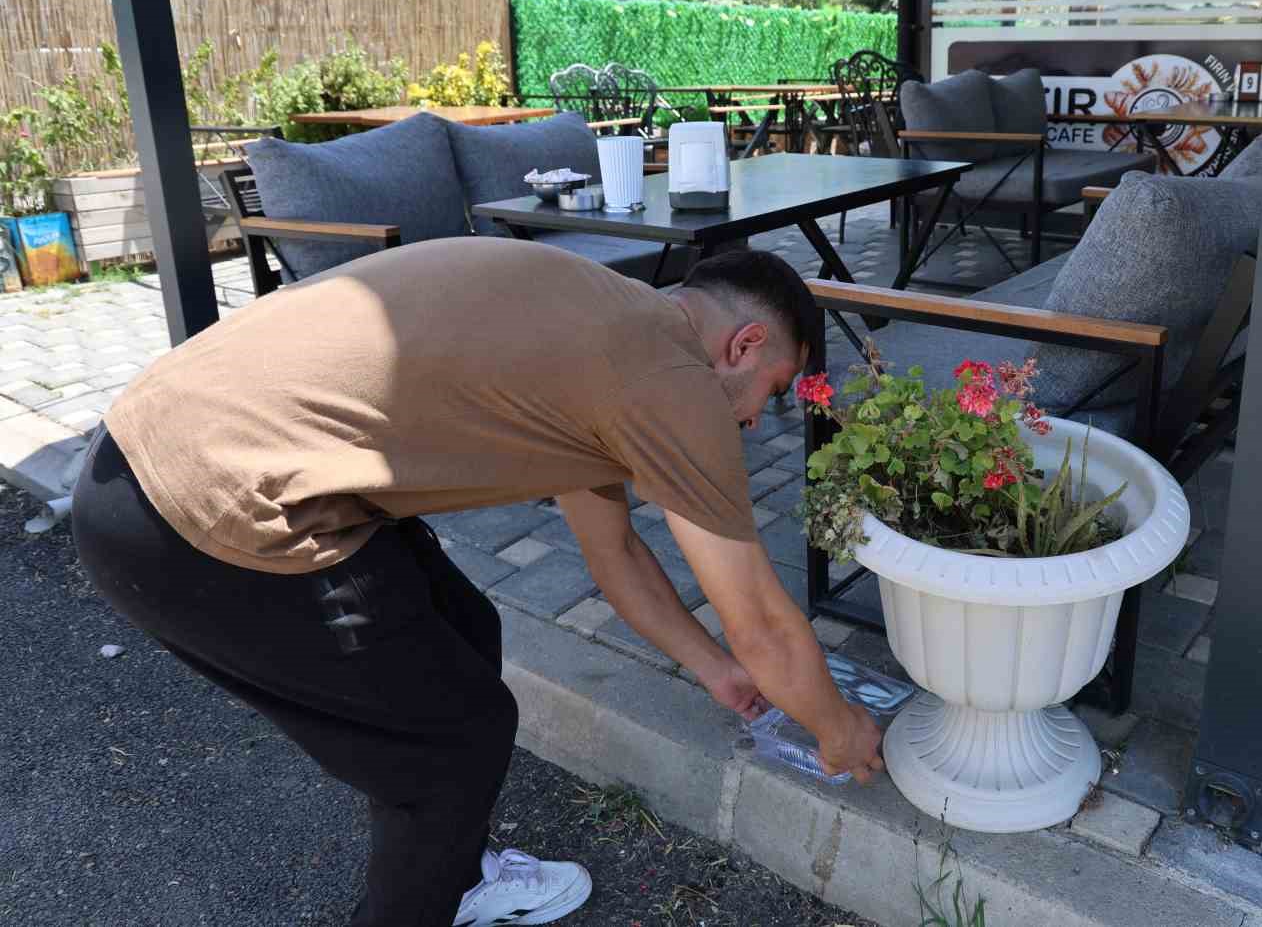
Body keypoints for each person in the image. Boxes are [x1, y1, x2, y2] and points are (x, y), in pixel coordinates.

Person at [70, 238, 885, 927]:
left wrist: (716, 671)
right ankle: (429, 875)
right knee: (452, 748)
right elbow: (768, 627)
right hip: (193, 507)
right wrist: (840, 729)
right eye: (769, 394)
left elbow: (617, 556)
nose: (750, 422)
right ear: (743, 346)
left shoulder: (608, 327)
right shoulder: (669, 384)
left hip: (147, 447)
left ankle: (452, 868)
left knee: (464, 626)